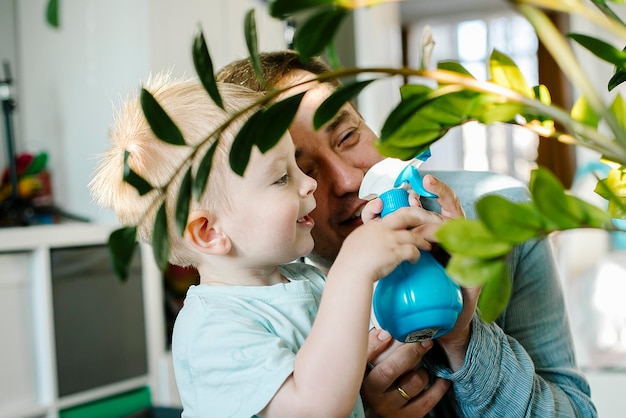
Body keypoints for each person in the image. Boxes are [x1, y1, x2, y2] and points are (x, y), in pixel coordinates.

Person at [216, 51, 598, 417]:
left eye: (348, 136)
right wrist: (357, 409)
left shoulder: (501, 218)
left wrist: (463, 338)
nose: (350, 180)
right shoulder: (262, 298)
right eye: (302, 169)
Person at [89, 73, 436, 417]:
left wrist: (383, 250)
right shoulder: (211, 329)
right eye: (283, 176)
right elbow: (311, 410)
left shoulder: (306, 280)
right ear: (209, 232)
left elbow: (351, 358)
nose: (308, 185)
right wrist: (352, 269)